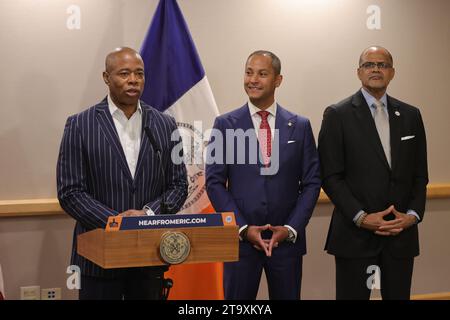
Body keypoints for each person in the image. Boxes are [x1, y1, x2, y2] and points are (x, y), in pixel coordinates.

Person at [57, 47, 188, 300]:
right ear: (106, 78)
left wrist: (147, 215)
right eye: (124, 73)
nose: (133, 80)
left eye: (139, 73)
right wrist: (117, 222)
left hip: (150, 258)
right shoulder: (80, 125)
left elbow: (179, 185)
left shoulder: (164, 124)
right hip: (99, 259)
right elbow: (70, 192)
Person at [205, 50, 321, 300]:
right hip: (241, 242)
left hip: (286, 243)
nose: (253, 80)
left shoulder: (300, 126)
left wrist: (290, 228)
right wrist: (243, 228)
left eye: (262, 73)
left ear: (278, 80)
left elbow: (312, 183)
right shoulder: (224, 124)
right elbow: (214, 183)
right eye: (248, 72)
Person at [318, 46, 428, 300]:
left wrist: (412, 215)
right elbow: (331, 176)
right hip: (355, 235)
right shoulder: (337, 114)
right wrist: (361, 217)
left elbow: (420, 175)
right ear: (359, 73)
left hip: (401, 235)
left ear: (392, 73)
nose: (376, 69)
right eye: (369, 65)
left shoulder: (411, 115)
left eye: (382, 65)